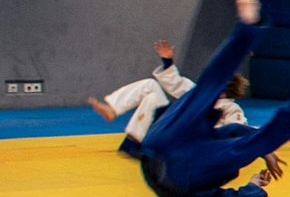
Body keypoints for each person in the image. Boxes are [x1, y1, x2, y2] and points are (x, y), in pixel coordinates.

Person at [138, 0, 290, 197]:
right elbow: (231, 194)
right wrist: (254, 184)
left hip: (157, 144)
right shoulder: (190, 190)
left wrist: (261, 153)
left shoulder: (207, 136)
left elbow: (235, 134)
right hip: (182, 176)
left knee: (208, 86)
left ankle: (247, 28)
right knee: (243, 141)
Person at [90, 39, 247, 156]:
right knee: (150, 87)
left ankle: (146, 147)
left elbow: (238, 129)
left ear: (224, 89)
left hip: (187, 146)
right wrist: (167, 61)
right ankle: (121, 122)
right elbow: (176, 84)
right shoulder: (197, 94)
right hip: (164, 135)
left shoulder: (230, 108)